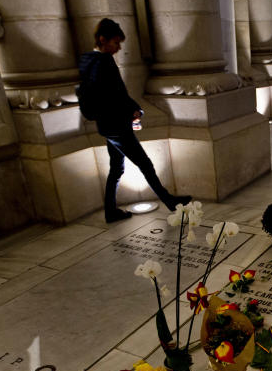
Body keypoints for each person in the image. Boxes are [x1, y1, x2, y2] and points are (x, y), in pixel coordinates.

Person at [78, 18, 191, 223]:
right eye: (115, 42)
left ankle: (110, 211)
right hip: (116, 126)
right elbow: (116, 94)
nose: (118, 47)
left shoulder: (87, 60)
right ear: (102, 40)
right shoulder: (103, 62)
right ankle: (170, 201)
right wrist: (134, 110)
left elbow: (114, 94)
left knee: (117, 168)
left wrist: (133, 109)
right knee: (145, 164)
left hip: (106, 125)